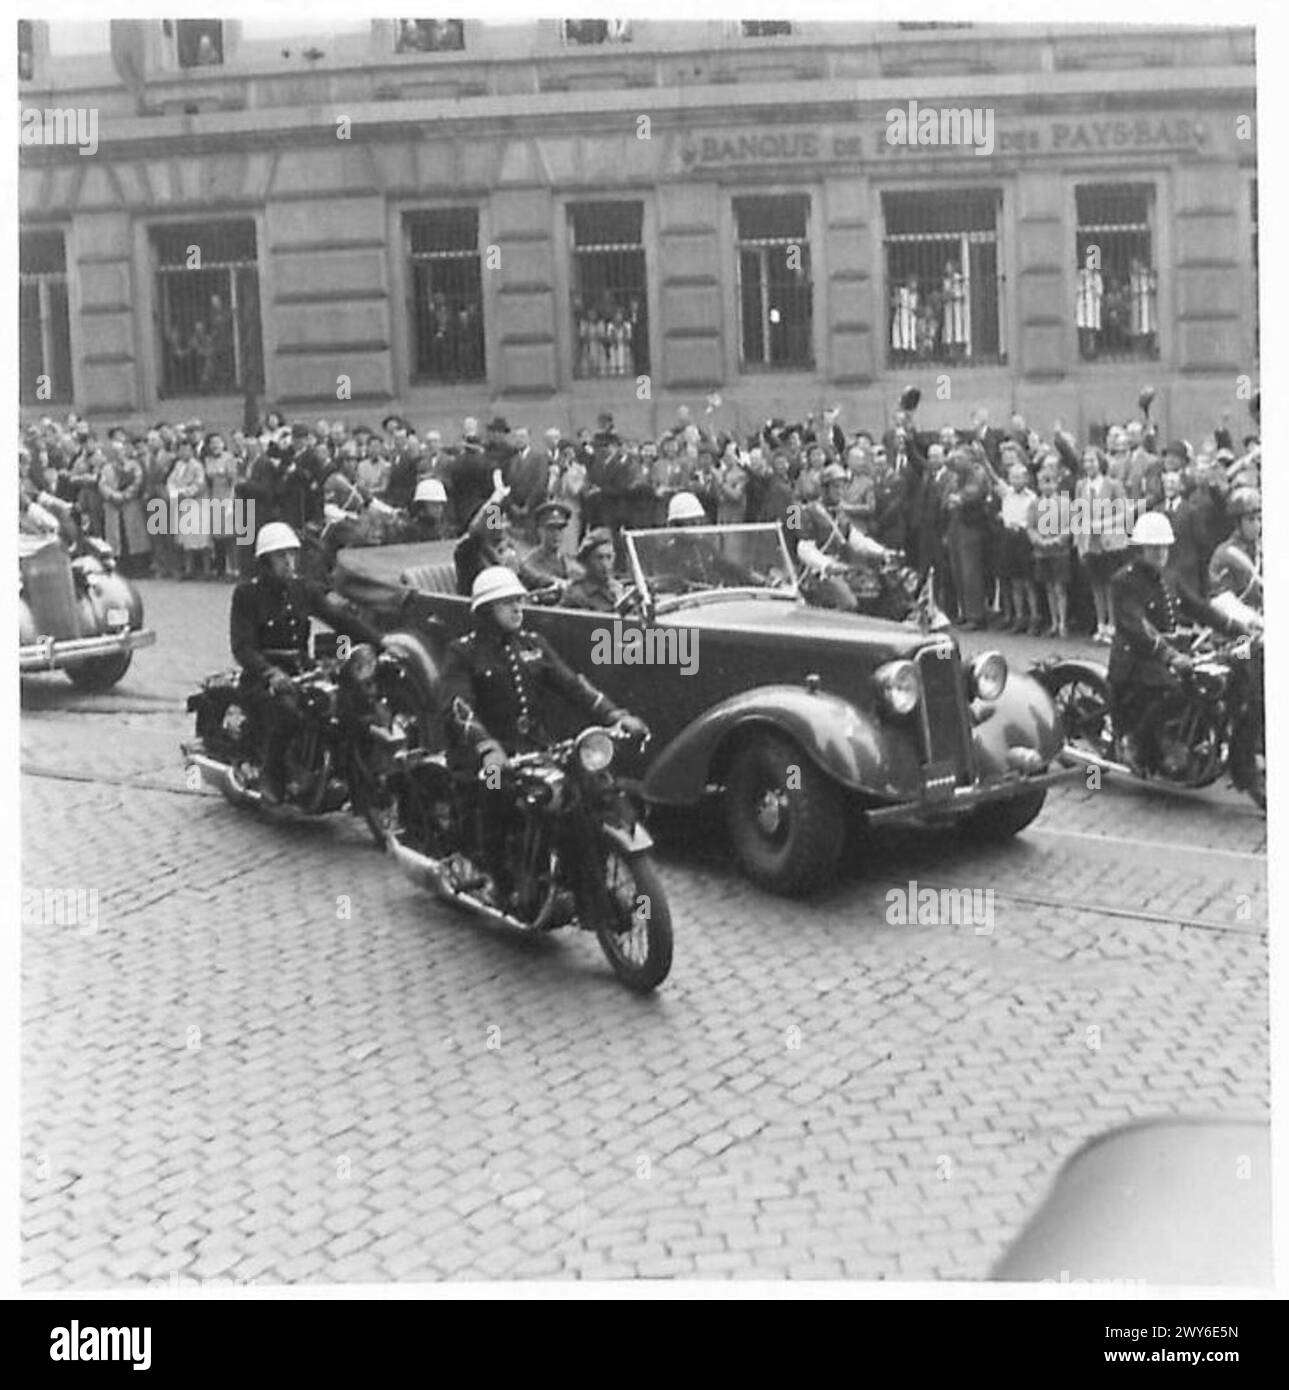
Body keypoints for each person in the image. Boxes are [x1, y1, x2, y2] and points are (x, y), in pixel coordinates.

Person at [441, 565, 647, 906]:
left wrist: (615, 715)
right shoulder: (463, 652)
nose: (517, 608)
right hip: (487, 755)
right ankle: (499, 880)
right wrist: (487, 747)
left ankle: (575, 876)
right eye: (506, 603)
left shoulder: (533, 644)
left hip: (533, 747)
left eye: (519, 601)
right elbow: (457, 706)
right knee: (495, 791)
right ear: (486, 611)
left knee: (590, 790)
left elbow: (573, 685)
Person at [230, 522, 382, 804]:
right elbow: (242, 647)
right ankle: (272, 776)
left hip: (302, 671)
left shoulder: (303, 590)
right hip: (262, 677)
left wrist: (381, 642)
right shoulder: (247, 594)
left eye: (292, 555)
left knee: (345, 707)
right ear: (265, 561)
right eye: (281, 557)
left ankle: (331, 771)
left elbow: (340, 620)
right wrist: (269, 672)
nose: (289, 562)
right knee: (287, 712)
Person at [1108, 512, 1252, 776]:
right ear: (1141, 548)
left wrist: (1238, 629)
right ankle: (1134, 742)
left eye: (1164, 547)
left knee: (1206, 683)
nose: (1160, 553)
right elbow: (1136, 626)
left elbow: (1199, 608)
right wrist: (1170, 656)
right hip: (1136, 658)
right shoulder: (1125, 580)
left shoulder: (1169, 577)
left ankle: (1188, 738)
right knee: (1178, 689)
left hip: (1164, 653)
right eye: (1153, 547)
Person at [794, 464, 895, 613]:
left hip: (839, 569)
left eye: (842, 487)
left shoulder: (839, 514)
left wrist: (882, 551)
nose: (840, 492)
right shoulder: (810, 512)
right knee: (849, 603)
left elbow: (855, 539)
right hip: (816, 574)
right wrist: (826, 565)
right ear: (824, 489)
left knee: (871, 593)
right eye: (836, 487)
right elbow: (804, 548)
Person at [1208, 489, 1262, 615]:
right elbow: (1222, 601)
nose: (1257, 525)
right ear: (1237, 523)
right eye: (1251, 519)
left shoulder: (1260, 550)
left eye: (1259, 519)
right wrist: (1252, 619)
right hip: (1240, 628)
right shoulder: (1224, 554)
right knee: (1243, 636)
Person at [518, 501, 581, 591]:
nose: (556, 534)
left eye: (559, 529)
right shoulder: (530, 562)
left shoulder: (567, 562)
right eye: (551, 529)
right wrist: (561, 583)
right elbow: (537, 578)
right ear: (540, 531)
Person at [561, 527, 623, 612]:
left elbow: (618, 624)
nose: (605, 564)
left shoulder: (618, 590)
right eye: (599, 558)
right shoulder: (576, 595)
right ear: (587, 561)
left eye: (609, 557)